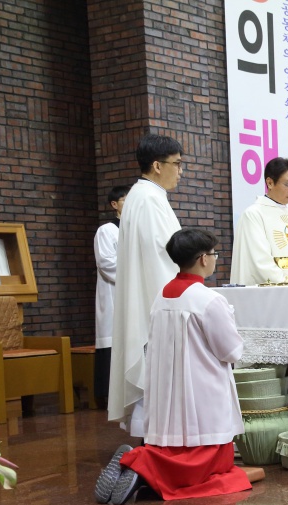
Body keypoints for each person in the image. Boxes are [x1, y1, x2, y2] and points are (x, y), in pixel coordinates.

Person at [95, 229, 255, 505]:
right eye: (214, 254)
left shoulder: (162, 296)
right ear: (203, 259)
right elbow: (230, 351)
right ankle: (139, 465)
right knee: (213, 469)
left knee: (177, 447)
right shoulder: (208, 299)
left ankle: (140, 463)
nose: (215, 260)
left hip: (168, 392)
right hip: (202, 389)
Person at [109, 134, 184, 437]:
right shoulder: (150, 200)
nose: (180, 171)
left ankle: (152, 435)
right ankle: (155, 438)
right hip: (158, 298)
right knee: (156, 372)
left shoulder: (141, 196)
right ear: (156, 165)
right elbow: (161, 255)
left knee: (153, 375)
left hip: (147, 297)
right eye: (177, 164)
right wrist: (184, 289)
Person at [229, 157, 288, 285]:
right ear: (270, 183)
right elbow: (259, 260)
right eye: (287, 184)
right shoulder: (254, 214)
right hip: (274, 292)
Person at [94, 184, 131, 410]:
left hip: (134, 295)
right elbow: (107, 263)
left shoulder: (137, 229)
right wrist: (136, 270)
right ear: (114, 205)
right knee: (114, 340)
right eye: (125, 200)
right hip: (114, 293)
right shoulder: (107, 230)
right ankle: (109, 395)